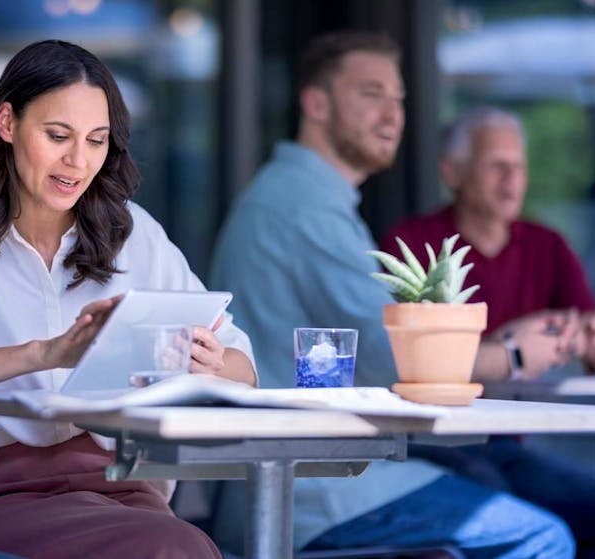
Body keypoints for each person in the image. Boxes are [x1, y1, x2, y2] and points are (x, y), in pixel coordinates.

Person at [0, 39, 257, 559]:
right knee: (175, 548)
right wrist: (44, 353)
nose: (78, 160)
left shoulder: (134, 234)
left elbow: (243, 366)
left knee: (168, 542)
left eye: (97, 141)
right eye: (57, 135)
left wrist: (210, 364)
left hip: (122, 488)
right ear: (8, 124)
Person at [208, 31, 575, 558]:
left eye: (398, 98)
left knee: (508, 491)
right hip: (314, 488)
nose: (392, 113)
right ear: (316, 103)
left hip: (310, 475)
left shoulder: (300, 196)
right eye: (370, 93)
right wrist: (515, 355)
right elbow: (399, 357)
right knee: (543, 536)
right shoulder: (302, 206)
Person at [382, 106, 595, 557]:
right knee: (500, 494)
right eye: (497, 165)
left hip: (508, 445)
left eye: (519, 166)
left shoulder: (546, 245)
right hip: (428, 445)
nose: (512, 179)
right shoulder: (412, 244)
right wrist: (512, 348)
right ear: (452, 172)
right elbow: (397, 357)